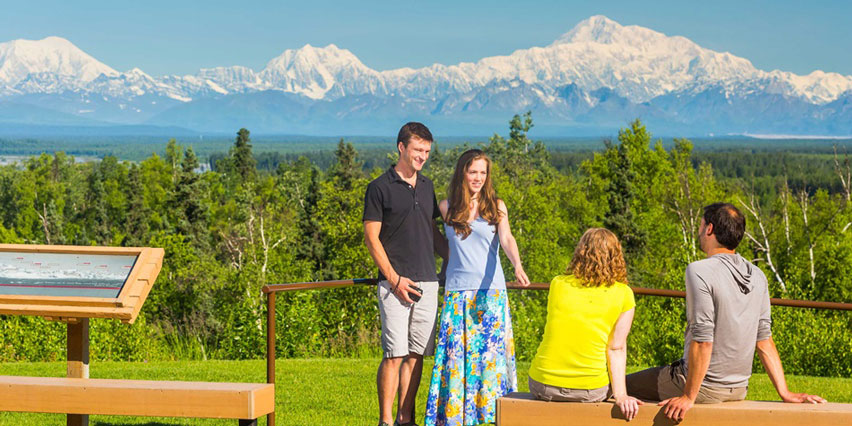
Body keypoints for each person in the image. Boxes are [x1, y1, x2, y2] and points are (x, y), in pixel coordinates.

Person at [626, 202, 827, 422]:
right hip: (739, 388)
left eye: (701, 226)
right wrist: (785, 392)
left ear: (709, 229)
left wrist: (688, 396)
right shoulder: (758, 275)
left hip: (701, 387)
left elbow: (703, 339)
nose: (699, 231)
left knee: (617, 386)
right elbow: (764, 340)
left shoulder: (699, 270)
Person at [424, 149, 530, 426]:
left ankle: (491, 415)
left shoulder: (497, 207)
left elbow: (507, 239)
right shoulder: (447, 208)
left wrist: (517, 265)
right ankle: (457, 416)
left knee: (490, 361)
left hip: (491, 295)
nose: (478, 178)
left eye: (483, 172)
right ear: (462, 173)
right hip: (458, 295)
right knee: (457, 361)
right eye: (473, 172)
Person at [364, 122, 449, 426]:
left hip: (428, 280)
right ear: (401, 147)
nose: (422, 157)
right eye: (417, 150)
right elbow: (372, 239)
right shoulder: (378, 188)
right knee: (394, 355)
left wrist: (456, 259)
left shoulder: (427, 186)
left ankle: (406, 418)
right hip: (394, 284)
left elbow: (434, 232)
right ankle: (386, 421)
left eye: (427, 151)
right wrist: (394, 279)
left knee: (416, 355)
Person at [527, 228, 643, 421]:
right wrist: (621, 395)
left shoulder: (558, 284)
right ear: (616, 256)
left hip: (543, 384)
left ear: (580, 253)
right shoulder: (624, 294)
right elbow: (616, 348)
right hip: (590, 390)